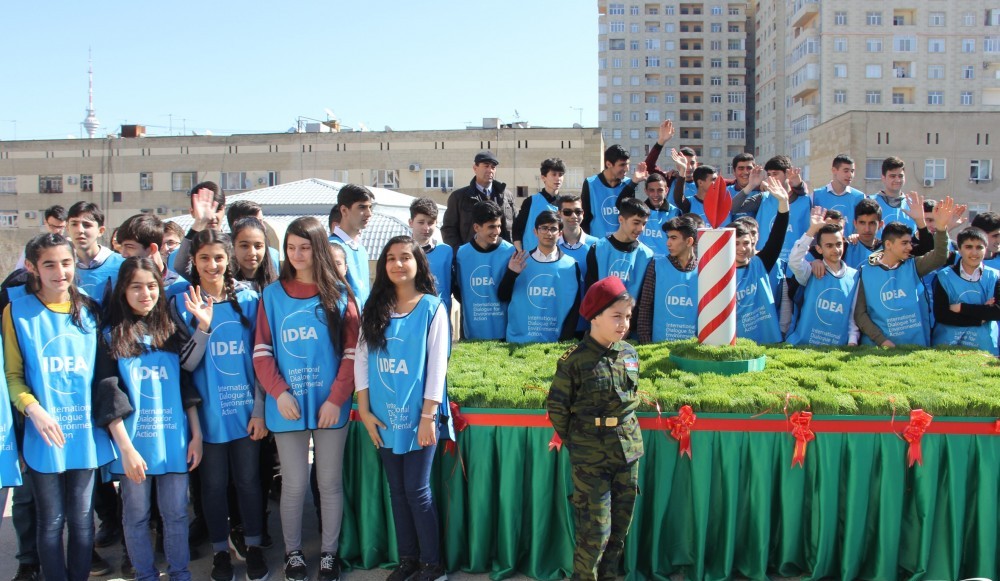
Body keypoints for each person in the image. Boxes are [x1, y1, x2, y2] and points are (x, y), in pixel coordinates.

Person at [3, 234, 116, 581]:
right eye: (49, 264)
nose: (60, 272)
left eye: (66, 263)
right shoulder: (16, 311)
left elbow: (103, 375)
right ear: (32, 267)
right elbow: (12, 376)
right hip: (43, 435)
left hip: (84, 433)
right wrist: (33, 409)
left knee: (82, 520)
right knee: (51, 521)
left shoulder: (91, 310)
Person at [253, 217, 359, 581]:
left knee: (329, 483)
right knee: (295, 484)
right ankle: (293, 553)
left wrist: (336, 398)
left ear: (319, 249)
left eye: (305, 247)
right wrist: (279, 392)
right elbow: (262, 352)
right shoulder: (271, 295)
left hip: (331, 406)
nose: (297, 255)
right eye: (291, 248)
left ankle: (329, 554)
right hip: (287, 406)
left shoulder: (340, 294)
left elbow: (352, 354)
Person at [356, 235, 454, 581]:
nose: (398, 264)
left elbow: (437, 367)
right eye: (391, 258)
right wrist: (365, 411)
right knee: (396, 491)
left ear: (418, 264)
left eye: (405, 257)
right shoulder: (374, 307)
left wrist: (428, 416)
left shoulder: (432, 308)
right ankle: (408, 559)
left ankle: (433, 565)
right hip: (383, 415)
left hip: (419, 416)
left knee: (416, 489)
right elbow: (362, 360)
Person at [98, 258, 203, 581]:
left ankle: (180, 572)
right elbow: (109, 396)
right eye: (136, 287)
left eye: (152, 286)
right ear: (122, 290)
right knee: (136, 516)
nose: (146, 294)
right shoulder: (110, 336)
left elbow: (186, 385)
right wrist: (126, 449)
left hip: (174, 440)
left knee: (176, 514)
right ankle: (144, 574)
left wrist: (196, 435)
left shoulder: (170, 330)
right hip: (135, 445)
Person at [173, 230, 269, 581]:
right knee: (212, 487)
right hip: (207, 418)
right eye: (204, 258)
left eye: (218, 257)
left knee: (249, 482)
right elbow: (185, 365)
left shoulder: (250, 299)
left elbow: (262, 360)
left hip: (246, 413)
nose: (212, 265)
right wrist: (203, 327)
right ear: (193, 261)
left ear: (228, 260)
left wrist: (260, 410)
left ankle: (254, 546)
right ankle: (220, 552)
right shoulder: (182, 301)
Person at [547, 276, 643, 581]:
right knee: (595, 533)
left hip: (627, 452)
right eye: (616, 316)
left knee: (619, 530)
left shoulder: (629, 354)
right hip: (591, 458)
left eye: (627, 316)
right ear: (595, 317)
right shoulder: (574, 361)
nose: (624, 324)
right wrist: (580, 443)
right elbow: (557, 409)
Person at [855, 198, 957, 347]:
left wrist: (941, 229)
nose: (910, 247)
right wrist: (882, 341)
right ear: (888, 244)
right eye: (904, 243)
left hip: (913, 347)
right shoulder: (865, 271)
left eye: (909, 242)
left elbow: (940, 257)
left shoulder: (914, 265)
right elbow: (860, 314)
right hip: (877, 348)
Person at [498, 211, 581, 343]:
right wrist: (511, 274)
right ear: (535, 232)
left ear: (560, 233)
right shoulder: (520, 261)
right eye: (544, 228)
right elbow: (502, 296)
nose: (548, 233)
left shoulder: (570, 265)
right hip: (518, 340)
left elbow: (575, 308)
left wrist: (564, 339)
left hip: (554, 340)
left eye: (553, 229)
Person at [731, 176, 790, 343]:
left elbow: (778, 235)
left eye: (745, 243)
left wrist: (783, 203)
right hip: (733, 343)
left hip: (767, 340)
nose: (741, 248)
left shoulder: (760, 264)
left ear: (753, 243)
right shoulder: (720, 271)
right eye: (736, 243)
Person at [785, 214, 860, 346]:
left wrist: (852, 340)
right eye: (829, 246)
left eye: (838, 244)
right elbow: (794, 261)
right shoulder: (810, 271)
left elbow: (853, 314)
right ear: (819, 249)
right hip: (804, 345)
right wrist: (812, 230)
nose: (836, 249)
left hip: (838, 347)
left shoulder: (854, 275)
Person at [453, 201, 516, 340]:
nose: (497, 231)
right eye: (491, 227)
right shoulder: (461, 254)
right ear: (476, 227)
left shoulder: (510, 251)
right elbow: (458, 290)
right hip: (472, 335)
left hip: (504, 335)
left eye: (499, 226)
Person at [931, 227, 1000, 354]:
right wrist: (981, 317)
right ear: (959, 249)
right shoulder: (943, 276)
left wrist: (961, 308)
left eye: (979, 247)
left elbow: (997, 312)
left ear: (986, 249)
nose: (974, 252)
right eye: (968, 247)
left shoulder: (996, 276)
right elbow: (942, 315)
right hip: (947, 348)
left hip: (985, 348)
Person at [732, 155, 811, 262]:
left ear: (787, 174)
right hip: (767, 262)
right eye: (769, 175)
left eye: (775, 174)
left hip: (796, 264)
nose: (771, 178)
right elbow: (733, 208)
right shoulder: (763, 198)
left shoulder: (804, 199)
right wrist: (751, 185)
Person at [636, 216, 699, 343]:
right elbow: (645, 309)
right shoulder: (656, 266)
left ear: (689, 241)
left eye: (673, 238)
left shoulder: (704, 269)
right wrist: (646, 343)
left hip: (692, 348)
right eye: (668, 237)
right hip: (659, 346)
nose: (668, 243)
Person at [585, 198, 654, 311]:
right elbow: (591, 290)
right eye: (636, 222)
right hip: (603, 318)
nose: (641, 228)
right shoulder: (598, 248)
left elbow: (645, 298)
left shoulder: (647, 255)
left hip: (631, 319)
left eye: (644, 223)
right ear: (621, 219)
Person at [442, 150, 515, 248]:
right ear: (475, 168)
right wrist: (459, 252)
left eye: (493, 167)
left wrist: (513, 250)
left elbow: (516, 226)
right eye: (486, 166)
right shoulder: (459, 197)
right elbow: (449, 229)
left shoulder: (506, 196)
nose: (490, 170)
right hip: (471, 253)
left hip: (503, 253)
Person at [116, 213, 190, 300]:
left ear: (152, 248)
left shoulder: (181, 289)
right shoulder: (116, 283)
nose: (123, 254)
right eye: (122, 246)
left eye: (129, 247)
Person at [67, 201, 125, 306]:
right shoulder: (62, 267)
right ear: (67, 228)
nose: (80, 230)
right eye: (74, 224)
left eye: (87, 225)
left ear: (101, 231)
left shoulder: (121, 264)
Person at [581, 145, 647, 238]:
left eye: (627, 164)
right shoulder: (590, 183)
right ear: (608, 164)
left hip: (622, 242)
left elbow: (630, 215)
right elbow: (585, 217)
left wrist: (633, 184)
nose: (627, 169)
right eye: (622, 165)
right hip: (597, 242)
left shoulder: (629, 184)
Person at [329, 184, 375, 307]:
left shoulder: (361, 249)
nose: (369, 213)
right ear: (344, 210)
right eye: (362, 207)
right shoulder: (331, 248)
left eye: (370, 207)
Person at [169, 181, 227, 275]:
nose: (212, 216)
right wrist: (199, 223)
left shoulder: (235, 246)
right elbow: (181, 267)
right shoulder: (177, 255)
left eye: (217, 209)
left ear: (224, 210)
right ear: (192, 212)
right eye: (205, 210)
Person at [616, 173, 678, 257]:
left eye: (660, 190)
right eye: (651, 190)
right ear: (646, 191)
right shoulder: (639, 210)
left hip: (666, 261)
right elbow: (620, 204)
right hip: (643, 260)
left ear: (666, 190)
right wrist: (634, 182)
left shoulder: (675, 212)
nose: (656, 194)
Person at [409, 197, 453, 313]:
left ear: (436, 223)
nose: (426, 228)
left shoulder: (446, 251)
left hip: (440, 314)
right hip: (411, 315)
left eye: (430, 223)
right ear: (411, 222)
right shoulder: (402, 251)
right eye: (421, 222)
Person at [513, 158, 566, 252]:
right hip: (530, 256)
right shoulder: (530, 201)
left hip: (556, 256)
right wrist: (520, 250)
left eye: (560, 175)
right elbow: (517, 229)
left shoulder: (565, 204)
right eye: (554, 174)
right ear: (543, 177)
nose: (558, 178)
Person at [812, 154, 866, 236]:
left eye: (852, 171)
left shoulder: (859, 197)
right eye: (846, 171)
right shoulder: (816, 195)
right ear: (834, 170)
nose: (850, 175)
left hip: (850, 243)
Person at [869, 157, 917, 237]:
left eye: (900, 176)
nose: (897, 180)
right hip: (878, 245)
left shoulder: (913, 205)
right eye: (892, 176)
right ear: (883, 178)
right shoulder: (871, 202)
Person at [232, 217, 279, 291]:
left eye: (258, 246)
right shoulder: (224, 287)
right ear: (233, 246)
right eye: (244, 246)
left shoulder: (278, 286)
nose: (252, 253)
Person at [14, 205, 67, 271]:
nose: (57, 231)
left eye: (60, 227)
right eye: (52, 226)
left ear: (66, 225)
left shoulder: (70, 246)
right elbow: (19, 270)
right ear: (45, 223)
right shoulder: (34, 246)